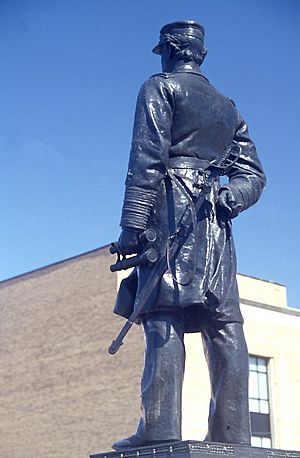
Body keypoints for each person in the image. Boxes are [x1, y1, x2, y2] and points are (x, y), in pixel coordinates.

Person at [112, 20, 266, 450]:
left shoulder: (159, 87)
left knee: (163, 314)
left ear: (170, 50)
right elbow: (252, 175)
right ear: (199, 54)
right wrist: (229, 198)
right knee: (225, 322)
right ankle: (233, 433)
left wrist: (132, 226)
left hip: (168, 214)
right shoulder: (228, 106)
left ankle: (159, 428)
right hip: (214, 223)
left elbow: (146, 159)